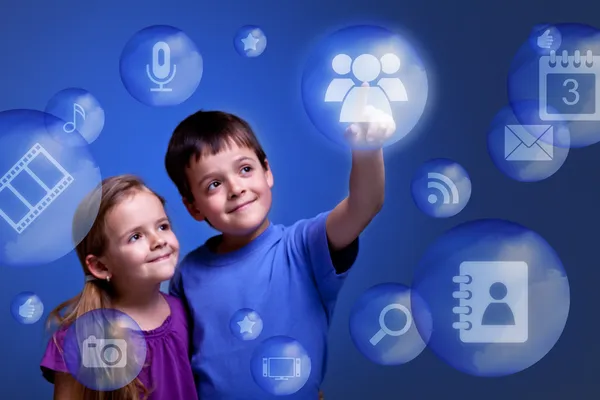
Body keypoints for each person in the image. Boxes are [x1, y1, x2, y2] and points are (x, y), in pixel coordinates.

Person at [165, 101, 394, 399]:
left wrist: (367, 147)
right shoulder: (188, 273)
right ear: (193, 207)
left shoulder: (304, 246)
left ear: (267, 171)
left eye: (245, 169)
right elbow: (177, 361)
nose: (236, 188)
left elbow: (366, 203)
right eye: (214, 184)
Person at [40, 174, 198, 400]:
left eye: (162, 226)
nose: (158, 240)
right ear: (100, 266)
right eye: (135, 236)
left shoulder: (187, 312)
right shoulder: (83, 340)